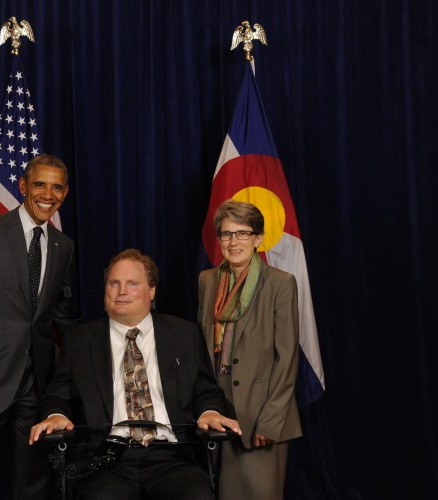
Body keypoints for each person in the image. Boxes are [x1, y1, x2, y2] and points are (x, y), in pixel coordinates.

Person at [30, 248, 242, 500]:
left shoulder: (184, 334)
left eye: (132, 284)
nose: (121, 291)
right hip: (105, 458)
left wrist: (210, 412)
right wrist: (56, 415)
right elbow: (58, 395)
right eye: (114, 283)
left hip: (171, 456)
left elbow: (205, 390)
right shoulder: (79, 340)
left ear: (151, 291)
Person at [0, 154, 81, 500]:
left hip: (36, 384)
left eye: (56, 187)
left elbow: (62, 317)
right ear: (23, 186)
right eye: (39, 184)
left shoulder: (63, 246)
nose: (47, 194)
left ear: (64, 194)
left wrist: (99, 350)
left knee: (32, 483)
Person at [198, 199, 303, 499]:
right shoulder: (207, 280)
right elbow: (202, 348)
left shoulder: (280, 284)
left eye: (243, 233)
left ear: (258, 238)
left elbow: (287, 359)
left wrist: (271, 419)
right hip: (218, 407)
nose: (234, 242)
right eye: (227, 234)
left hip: (261, 412)